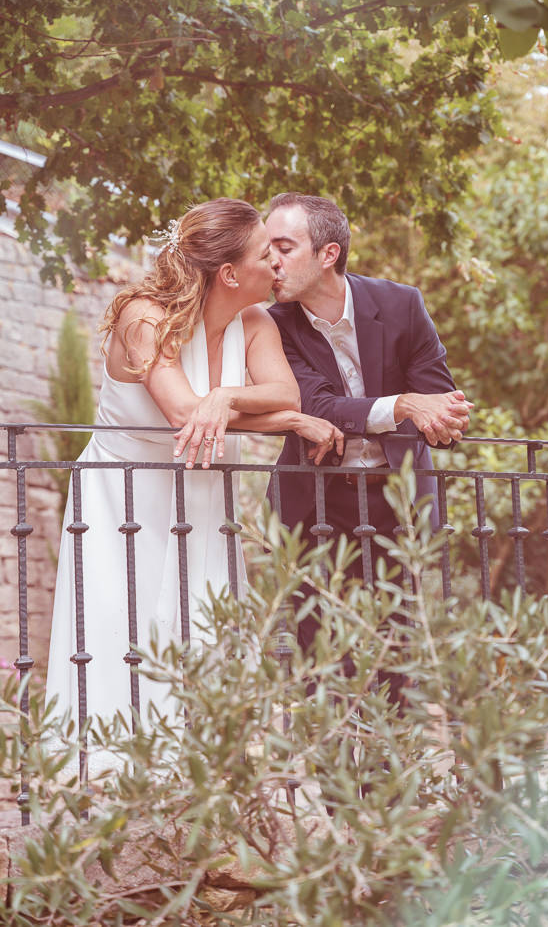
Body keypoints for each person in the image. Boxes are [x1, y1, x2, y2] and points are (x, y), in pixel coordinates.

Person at [45, 198, 343, 756]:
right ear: (229, 273)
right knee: (119, 629)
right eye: (265, 254)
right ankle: (111, 770)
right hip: (124, 498)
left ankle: (201, 768)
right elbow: (185, 412)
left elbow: (285, 395)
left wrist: (229, 397)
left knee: (203, 624)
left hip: (203, 495)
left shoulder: (254, 321)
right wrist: (286, 421)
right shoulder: (144, 317)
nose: (276, 264)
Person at [264, 193, 472, 657]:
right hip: (314, 503)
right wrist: (403, 405)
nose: (270, 261)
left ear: (328, 254)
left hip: (397, 504)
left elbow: (439, 406)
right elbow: (316, 405)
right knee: (319, 658)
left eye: (284, 247)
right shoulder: (271, 324)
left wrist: (440, 415)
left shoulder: (402, 304)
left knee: (395, 651)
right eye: (267, 248)